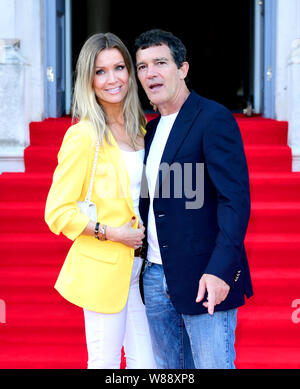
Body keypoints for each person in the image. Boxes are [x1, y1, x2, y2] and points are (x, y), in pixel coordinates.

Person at [134, 29, 253, 369]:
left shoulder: (213, 118)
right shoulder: (152, 130)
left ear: (183, 69)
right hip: (156, 275)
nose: (150, 73)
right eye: (142, 66)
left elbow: (235, 202)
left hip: (204, 278)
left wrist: (219, 271)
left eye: (160, 63)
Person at [45, 32, 156, 369]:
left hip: (143, 268)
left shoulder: (143, 130)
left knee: (148, 364)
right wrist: (110, 232)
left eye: (119, 67)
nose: (113, 79)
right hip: (105, 265)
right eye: (100, 71)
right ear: (88, 80)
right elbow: (57, 212)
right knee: (105, 362)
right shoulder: (83, 135)